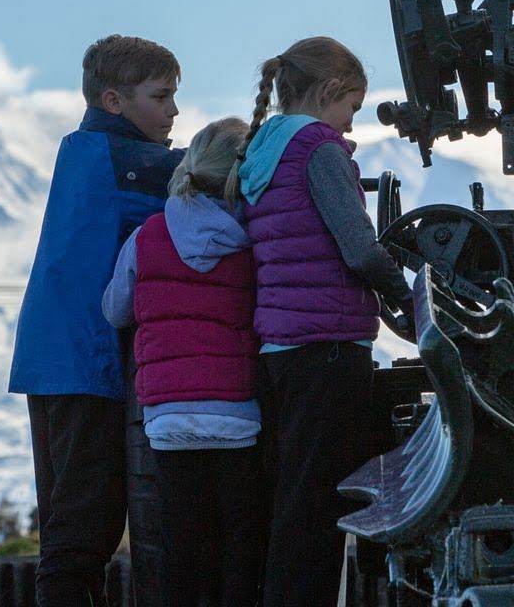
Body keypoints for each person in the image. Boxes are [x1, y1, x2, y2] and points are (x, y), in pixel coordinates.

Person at [231, 37, 411, 607]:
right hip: (330, 347)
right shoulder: (318, 148)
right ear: (332, 91)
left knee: (291, 504)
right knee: (321, 510)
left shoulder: (261, 151)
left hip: (280, 350)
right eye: (351, 108)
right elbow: (358, 249)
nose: (349, 123)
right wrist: (405, 295)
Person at [9, 35, 182, 607]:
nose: (174, 111)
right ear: (114, 100)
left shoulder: (86, 153)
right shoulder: (117, 158)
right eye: (161, 97)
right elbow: (198, 178)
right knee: (83, 529)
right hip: (84, 360)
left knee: (73, 523)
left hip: (55, 356)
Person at [103, 117, 264, 607]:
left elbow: (115, 309)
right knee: (241, 545)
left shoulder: (148, 236)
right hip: (237, 415)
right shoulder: (252, 240)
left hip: (168, 420)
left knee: (182, 548)